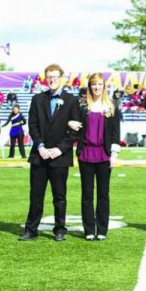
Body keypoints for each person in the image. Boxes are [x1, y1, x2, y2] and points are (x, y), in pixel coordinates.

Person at [19, 63, 77, 242]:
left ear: (62, 78)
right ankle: (31, 229)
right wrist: (41, 146)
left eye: (55, 77)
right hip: (40, 156)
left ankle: (60, 229)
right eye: (49, 77)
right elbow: (33, 126)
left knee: (59, 196)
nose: (52, 80)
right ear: (45, 78)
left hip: (60, 157)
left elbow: (75, 130)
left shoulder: (72, 101)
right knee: (36, 195)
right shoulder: (37, 99)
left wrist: (59, 149)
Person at [68, 73, 121, 240]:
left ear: (104, 86)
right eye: (93, 84)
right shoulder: (83, 106)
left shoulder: (112, 106)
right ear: (89, 86)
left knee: (103, 194)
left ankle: (102, 230)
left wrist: (114, 154)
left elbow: (115, 132)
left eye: (99, 84)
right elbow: (72, 124)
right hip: (86, 154)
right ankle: (89, 230)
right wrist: (69, 123)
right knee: (87, 194)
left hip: (104, 155)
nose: (96, 87)